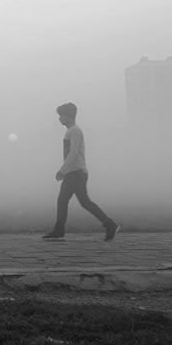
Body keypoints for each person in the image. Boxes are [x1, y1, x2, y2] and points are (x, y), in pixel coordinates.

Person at [42, 102, 119, 241]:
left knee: (73, 201)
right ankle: (108, 224)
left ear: (68, 116)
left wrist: (62, 171)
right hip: (75, 172)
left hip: (76, 172)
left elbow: (73, 153)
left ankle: (109, 224)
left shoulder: (75, 131)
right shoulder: (71, 131)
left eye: (61, 116)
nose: (59, 119)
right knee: (77, 201)